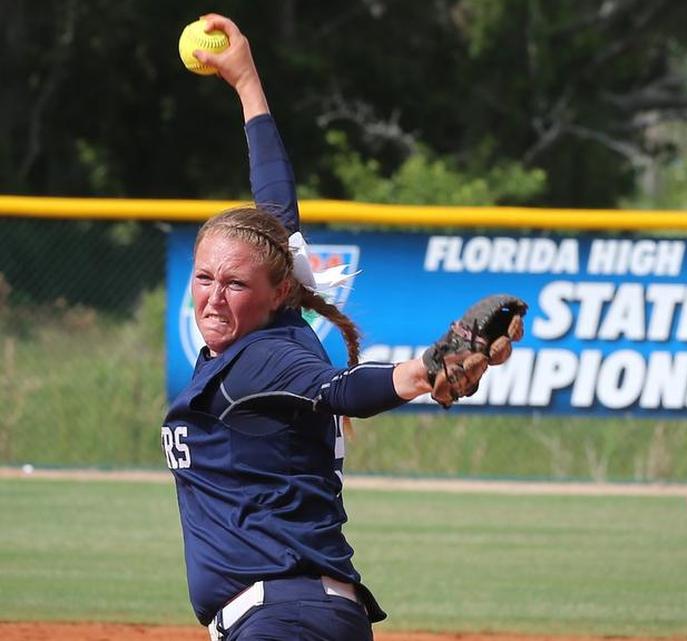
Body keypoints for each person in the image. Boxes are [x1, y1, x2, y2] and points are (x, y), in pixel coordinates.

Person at [163, 15, 511, 641]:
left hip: (282, 622)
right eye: (204, 277)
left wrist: (428, 369)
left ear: (275, 292)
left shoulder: (263, 361)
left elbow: (343, 389)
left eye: (234, 284)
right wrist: (245, 81)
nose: (214, 297)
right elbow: (274, 201)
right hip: (308, 615)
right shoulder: (278, 320)